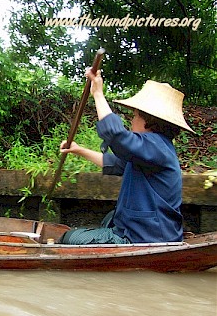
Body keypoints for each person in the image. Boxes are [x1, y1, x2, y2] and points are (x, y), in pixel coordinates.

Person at [58, 68, 194, 244]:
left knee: (69, 238)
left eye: (135, 116)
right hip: (144, 232)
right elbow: (115, 164)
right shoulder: (151, 150)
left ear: (148, 121)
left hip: (146, 237)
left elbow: (117, 136)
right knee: (109, 219)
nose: (132, 121)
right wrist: (78, 150)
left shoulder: (156, 146)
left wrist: (98, 94)